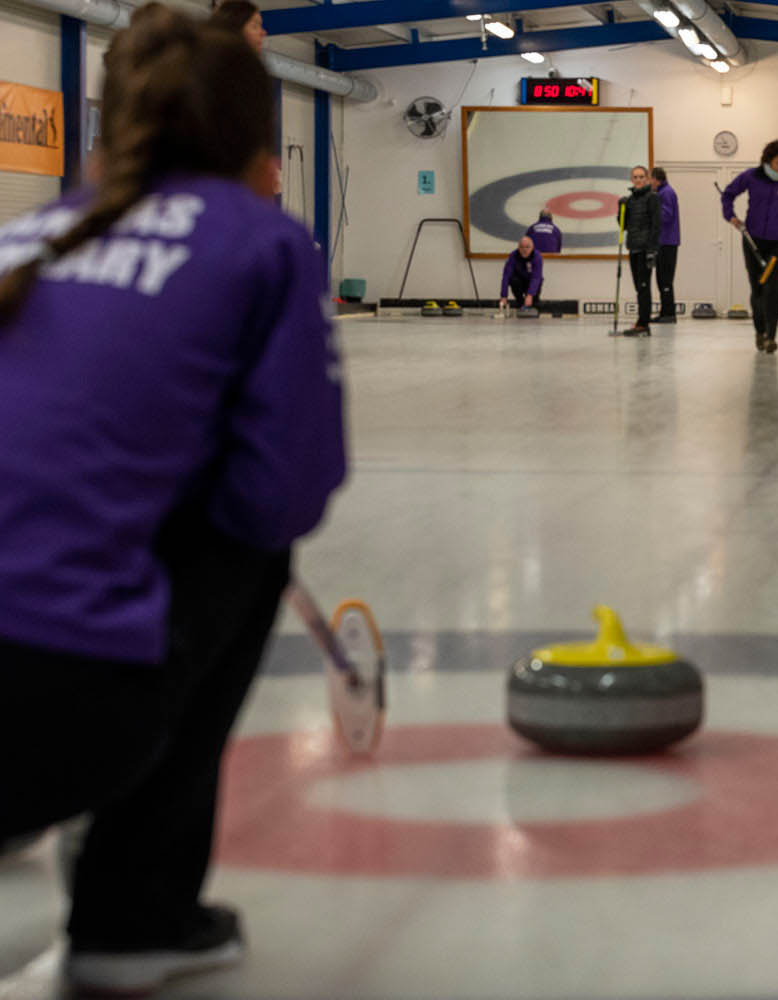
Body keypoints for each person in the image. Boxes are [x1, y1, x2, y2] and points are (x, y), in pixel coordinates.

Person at [0, 5, 345, 994]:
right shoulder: (260, 244)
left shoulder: (28, 234)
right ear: (258, 141)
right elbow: (286, 490)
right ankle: (133, 912)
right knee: (249, 546)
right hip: (46, 717)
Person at [720, 139, 778, 353]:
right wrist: (731, 217)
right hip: (754, 240)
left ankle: (771, 337)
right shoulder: (751, 176)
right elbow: (728, 194)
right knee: (758, 288)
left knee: (773, 287)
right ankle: (759, 331)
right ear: (768, 160)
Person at [619, 164, 660, 336]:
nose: (638, 180)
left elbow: (656, 225)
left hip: (645, 249)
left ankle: (643, 324)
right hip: (633, 247)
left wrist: (652, 250)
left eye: (641, 177)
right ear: (631, 179)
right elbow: (624, 225)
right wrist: (620, 210)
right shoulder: (629, 200)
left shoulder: (652, 198)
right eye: (635, 177)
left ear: (647, 179)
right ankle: (641, 321)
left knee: (644, 287)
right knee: (638, 287)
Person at [650, 167, 679, 324]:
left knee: (665, 279)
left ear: (656, 179)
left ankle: (668, 314)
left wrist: (652, 209)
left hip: (667, 242)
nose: (649, 183)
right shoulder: (662, 192)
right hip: (664, 241)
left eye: (650, 179)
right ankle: (665, 312)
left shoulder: (666, 193)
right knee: (662, 279)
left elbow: (666, 216)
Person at [501, 235, 543, 309]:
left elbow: (536, 277)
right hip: (519, 281)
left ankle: (533, 305)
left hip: (532, 281)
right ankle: (520, 304)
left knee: (533, 301)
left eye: (527, 247)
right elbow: (506, 276)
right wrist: (503, 296)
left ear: (532, 247)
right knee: (513, 280)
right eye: (522, 247)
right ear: (518, 248)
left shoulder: (537, 257)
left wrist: (530, 295)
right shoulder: (513, 256)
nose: (524, 250)